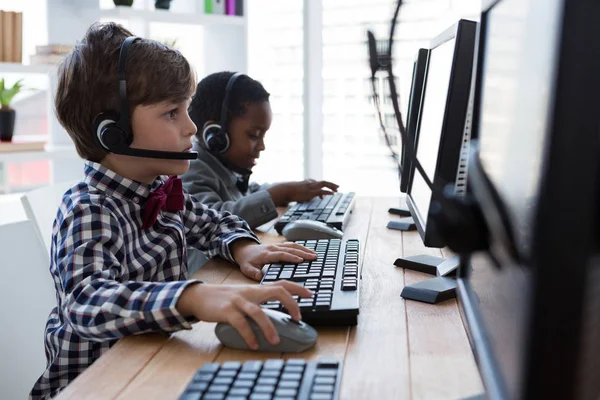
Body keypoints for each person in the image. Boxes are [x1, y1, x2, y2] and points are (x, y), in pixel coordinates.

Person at [30, 23, 317, 400]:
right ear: (111, 132)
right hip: (95, 386)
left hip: (153, 370)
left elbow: (214, 222)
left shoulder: (160, 191)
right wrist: (192, 297)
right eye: (171, 113)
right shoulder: (88, 208)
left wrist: (246, 248)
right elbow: (87, 302)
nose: (191, 127)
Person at [181, 72, 339, 273]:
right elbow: (216, 219)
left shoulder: (224, 167)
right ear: (216, 135)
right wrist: (280, 194)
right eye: (254, 135)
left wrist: (293, 189)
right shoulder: (191, 167)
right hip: (212, 276)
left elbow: (249, 191)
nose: (262, 146)